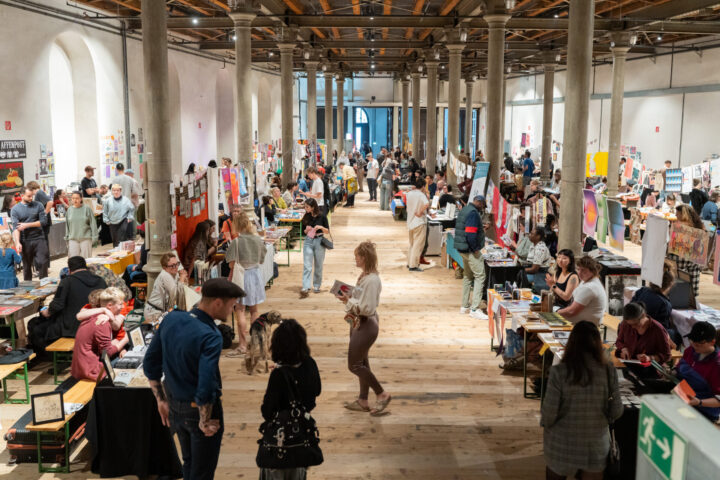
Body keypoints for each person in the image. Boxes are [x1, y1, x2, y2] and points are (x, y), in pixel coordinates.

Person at [144, 279, 245, 480]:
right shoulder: (211, 335)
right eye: (232, 305)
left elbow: (150, 363)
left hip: (174, 406)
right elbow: (206, 382)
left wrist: (160, 400)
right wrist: (204, 419)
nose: (232, 310)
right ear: (218, 302)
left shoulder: (171, 319)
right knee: (202, 472)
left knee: (189, 462)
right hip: (198, 411)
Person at [542, 321, 623, 480]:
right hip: (595, 443)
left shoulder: (559, 372)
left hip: (561, 442)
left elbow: (549, 414)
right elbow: (617, 410)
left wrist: (546, 424)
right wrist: (606, 418)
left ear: (571, 342)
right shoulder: (608, 371)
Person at [259, 318, 322, 479]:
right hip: (300, 437)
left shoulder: (279, 375)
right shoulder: (310, 363)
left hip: (279, 442)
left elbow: (267, 411)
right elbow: (316, 392)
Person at [335, 241, 391, 415]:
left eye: (357, 256)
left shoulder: (372, 280)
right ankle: (363, 400)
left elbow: (367, 308)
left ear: (364, 257)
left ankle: (381, 394)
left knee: (354, 365)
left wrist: (348, 301)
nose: (355, 260)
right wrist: (350, 296)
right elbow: (361, 299)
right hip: (360, 322)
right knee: (362, 362)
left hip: (366, 324)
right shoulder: (365, 276)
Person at [225, 212, 267, 356]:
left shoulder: (235, 242)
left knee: (240, 311)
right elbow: (261, 260)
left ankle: (242, 345)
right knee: (254, 310)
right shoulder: (258, 240)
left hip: (241, 277)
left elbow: (231, 265)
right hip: (255, 275)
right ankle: (255, 341)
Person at [71, 287, 129, 381]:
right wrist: (126, 339)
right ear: (109, 305)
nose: (122, 307)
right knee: (128, 368)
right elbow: (108, 352)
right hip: (91, 370)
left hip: (81, 366)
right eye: (120, 304)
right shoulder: (102, 322)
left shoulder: (94, 317)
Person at [674, 321, 720, 421]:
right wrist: (673, 372)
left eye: (699, 344)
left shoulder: (717, 365)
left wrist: (699, 402)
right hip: (682, 394)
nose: (695, 346)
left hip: (704, 409)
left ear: (712, 342)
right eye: (692, 341)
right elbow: (679, 369)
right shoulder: (690, 350)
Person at [615, 302, 672, 378]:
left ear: (643, 316)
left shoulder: (658, 330)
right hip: (629, 364)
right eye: (630, 325)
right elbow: (619, 341)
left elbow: (667, 355)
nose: (633, 327)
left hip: (649, 369)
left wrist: (650, 358)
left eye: (636, 324)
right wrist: (623, 348)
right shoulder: (625, 324)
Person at [454, 195, 488, 319]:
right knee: (480, 276)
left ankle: (464, 306)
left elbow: (467, 230)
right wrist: (476, 250)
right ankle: (475, 308)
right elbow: (470, 234)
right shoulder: (473, 213)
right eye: (483, 205)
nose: (482, 208)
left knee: (468, 276)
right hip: (470, 250)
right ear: (479, 202)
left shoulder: (465, 209)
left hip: (462, 249)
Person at [631, 262, 678, 345]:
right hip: (647, 338)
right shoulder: (665, 304)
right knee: (675, 333)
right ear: (670, 285)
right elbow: (662, 329)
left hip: (632, 330)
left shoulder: (642, 290)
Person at [11, 185, 49, 280]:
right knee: (27, 267)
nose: (31, 198)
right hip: (25, 240)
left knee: (43, 262)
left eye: (32, 195)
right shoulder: (15, 209)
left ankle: (44, 286)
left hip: (39, 238)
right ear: (22, 195)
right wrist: (17, 242)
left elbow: (43, 222)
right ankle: (28, 290)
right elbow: (16, 228)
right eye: (29, 196)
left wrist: (27, 225)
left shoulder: (38, 205)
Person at [557, 256, 607, 325]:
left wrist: (556, 313)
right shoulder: (588, 280)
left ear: (592, 271)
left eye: (583, 270)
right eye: (578, 269)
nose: (579, 273)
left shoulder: (590, 287)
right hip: (580, 323)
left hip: (583, 327)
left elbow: (571, 311)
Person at [669, 204, 705, 296]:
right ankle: (692, 300)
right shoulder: (699, 225)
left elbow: (672, 241)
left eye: (677, 213)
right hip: (694, 258)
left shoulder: (678, 226)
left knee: (677, 281)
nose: (676, 215)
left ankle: (678, 298)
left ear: (683, 214)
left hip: (679, 256)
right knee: (693, 281)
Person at [299, 198, 329, 299]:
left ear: (313, 207)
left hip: (319, 241)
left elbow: (327, 231)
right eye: (305, 206)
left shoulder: (322, 216)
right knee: (307, 265)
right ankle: (306, 286)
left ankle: (316, 285)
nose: (305, 208)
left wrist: (320, 227)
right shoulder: (306, 216)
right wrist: (306, 230)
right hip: (308, 241)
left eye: (307, 207)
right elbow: (304, 231)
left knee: (318, 265)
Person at [145, 252, 186, 322]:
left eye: (177, 264)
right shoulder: (165, 275)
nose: (176, 267)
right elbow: (176, 294)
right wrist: (182, 279)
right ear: (164, 267)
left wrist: (183, 280)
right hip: (154, 312)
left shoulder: (174, 274)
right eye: (172, 265)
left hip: (160, 311)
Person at [406, 178, 430, 272]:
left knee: (412, 244)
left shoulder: (410, 193)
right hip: (419, 222)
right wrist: (420, 212)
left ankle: (409, 263)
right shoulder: (421, 194)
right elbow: (427, 204)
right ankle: (413, 265)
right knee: (418, 244)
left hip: (410, 222)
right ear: (423, 186)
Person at [65, 191, 98, 258]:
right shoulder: (69, 210)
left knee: (87, 260)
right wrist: (67, 237)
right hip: (73, 238)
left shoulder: (87, 209)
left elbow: (93, 224)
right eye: (73, 198)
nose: (75, 200)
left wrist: (94, 237)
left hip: (86, 238)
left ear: (81, 199)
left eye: (77, 198)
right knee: (73, 260)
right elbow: (67, 225)